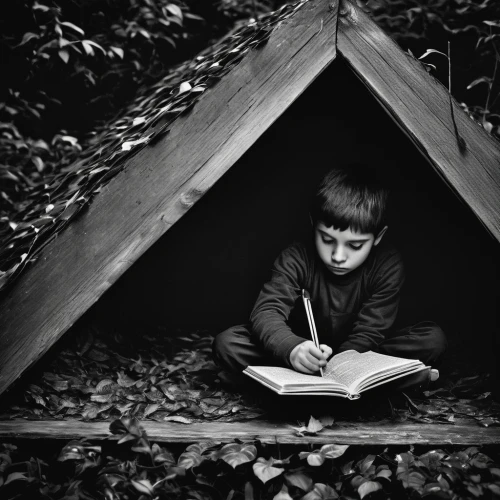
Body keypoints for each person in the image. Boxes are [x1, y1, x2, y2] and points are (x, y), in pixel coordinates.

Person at [212, 164, 446, 390]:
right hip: (303, 350)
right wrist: (293, 349)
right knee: (228, 343)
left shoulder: (387, 264)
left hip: (361, 355)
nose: (338, 256)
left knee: (431, 339)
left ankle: (289, 386)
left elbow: (370, 331)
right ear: (313, 225)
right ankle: (395, 383)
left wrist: (343, 364)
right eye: (327, 239)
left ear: (378, 237)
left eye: (355, 245)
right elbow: (267, 310)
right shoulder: (297, 257)